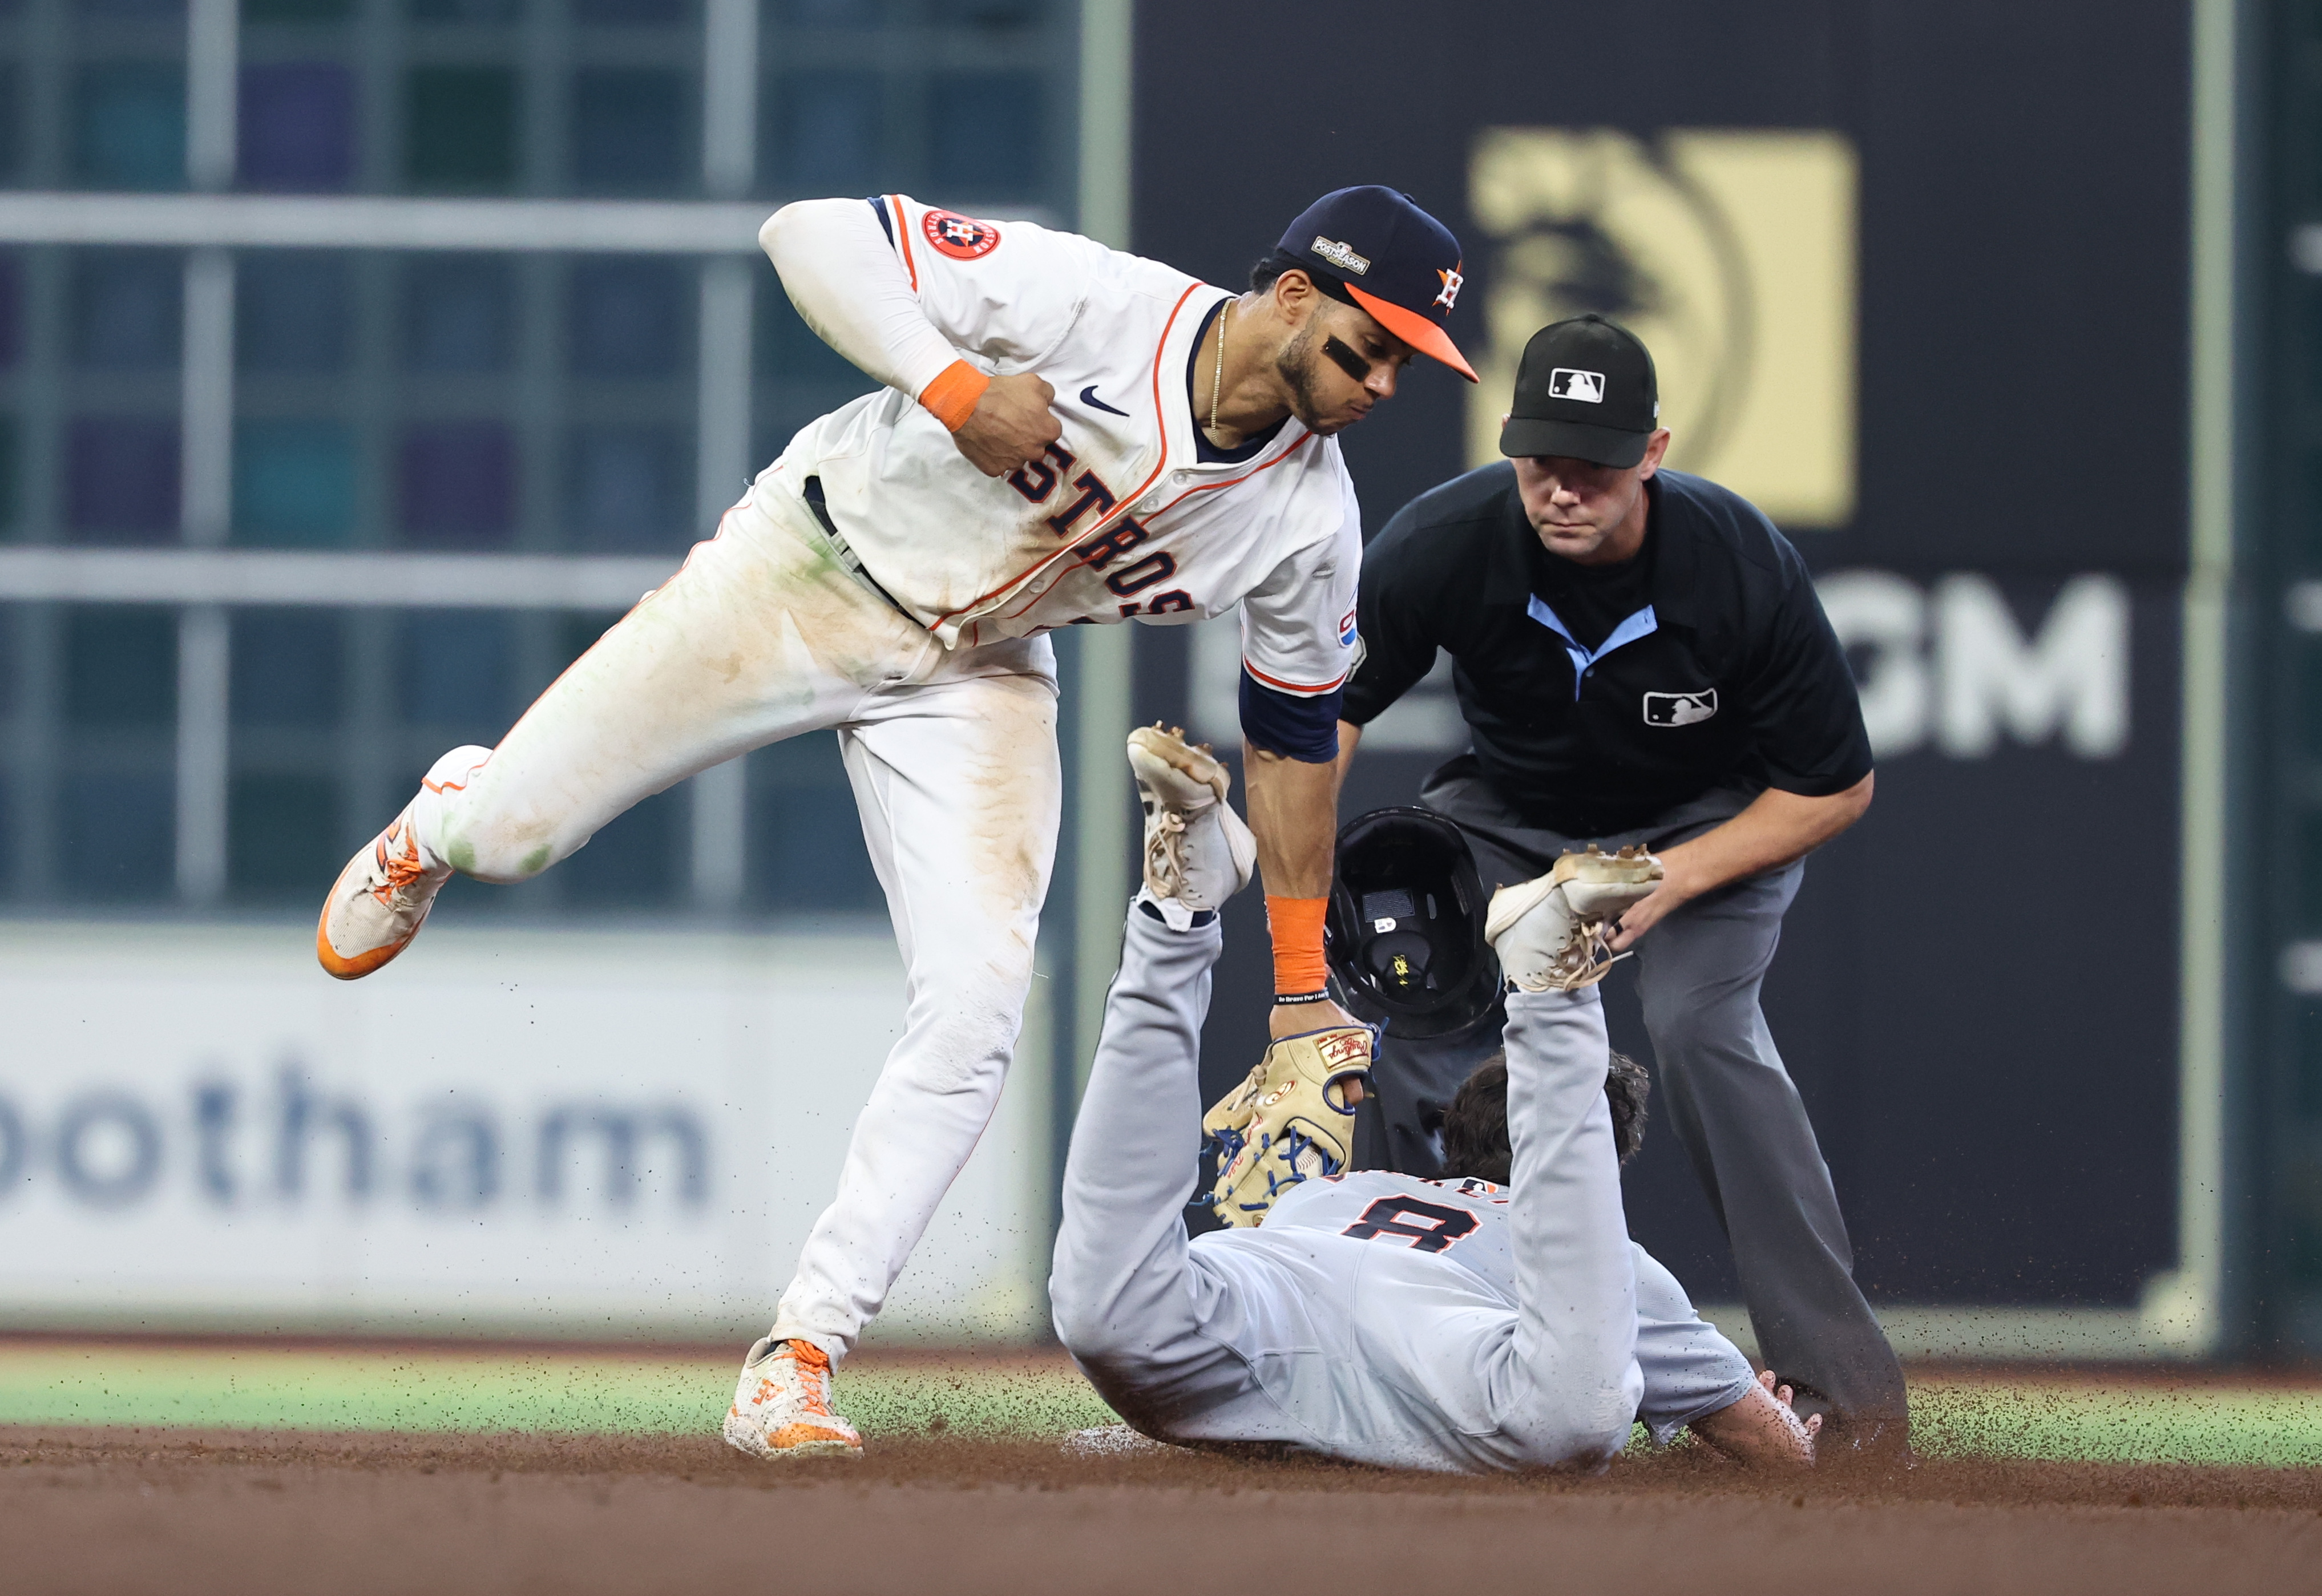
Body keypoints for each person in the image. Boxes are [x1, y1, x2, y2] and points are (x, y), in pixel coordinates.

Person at [310, 187, 1477, 1457]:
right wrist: (953, 386)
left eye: (1410, 365)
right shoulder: (1096, 303)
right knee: (513, 838)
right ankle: (444, 821)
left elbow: (1295, 742)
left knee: (980, 1003)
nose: (1385, 383)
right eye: (1376, 347)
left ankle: (799, 1352)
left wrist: (1301, 987)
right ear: (1295, 295)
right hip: (805, 572)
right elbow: (806, 236)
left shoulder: (1307, 516)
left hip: (979, 669)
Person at [1336, 314, 1907, 1454]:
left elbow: (1833, 787)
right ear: (1509, 447)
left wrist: (1670, 874)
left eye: (1594, 464)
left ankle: (1840, 1394)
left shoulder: (1733, 562)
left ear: (1652, 451)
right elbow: (1326, 715)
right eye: (1541, 459)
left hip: (1704, 821)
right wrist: (1301, 935)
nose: (1563, 489)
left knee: (1698, 1026)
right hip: (1514, 814)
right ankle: (1380, 1343)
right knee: (1416, 1020)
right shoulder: (1444, 542)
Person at [1047, 729, 1818, 1473]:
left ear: (1452, 1138)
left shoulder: (1337, 1192)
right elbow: (1766, 1444)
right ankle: (1549, 992)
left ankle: (1174, 916)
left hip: (1260, 1307)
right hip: (1448, 1366)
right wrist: (1782, 1429)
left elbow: (1286, 1406)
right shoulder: (1619, 1267)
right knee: (1575, 1422)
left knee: (1105, 1315)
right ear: (1589, 1179)